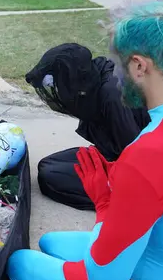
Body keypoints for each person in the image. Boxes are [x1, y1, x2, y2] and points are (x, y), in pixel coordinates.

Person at [8, 0, 163, 280]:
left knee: (19, 262)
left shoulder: (149, 152)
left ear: (139, 66)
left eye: (120, 64)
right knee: (51, 242)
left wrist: (106, 203)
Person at [26, 43, 150, 210]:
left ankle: (121, 199)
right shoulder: (95, 76)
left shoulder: (112, 95)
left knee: (51, 177)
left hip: (136, 171)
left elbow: (136, 154)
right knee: (47, 164)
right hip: (113, 154)